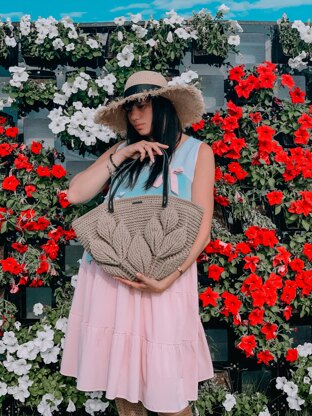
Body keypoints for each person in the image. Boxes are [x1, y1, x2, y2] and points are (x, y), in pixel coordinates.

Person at [60, 70, 215, 416]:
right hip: (112, 278)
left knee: (167, 389)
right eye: (130, 109)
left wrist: (170, 278)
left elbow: (202, 231)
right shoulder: (121, 151)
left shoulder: (196, 152)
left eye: (143, 106)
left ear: (163, 106)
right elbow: (75, 194)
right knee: (125, 389)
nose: (135, 115)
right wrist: (122, 155)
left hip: (164, 281)